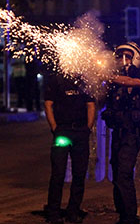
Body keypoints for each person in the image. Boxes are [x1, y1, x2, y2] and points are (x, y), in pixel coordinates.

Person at [102, 42, 140, 224]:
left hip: (132, 132)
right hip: (118, 131)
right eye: (120, 56)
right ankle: (122, 213)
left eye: (127, 56)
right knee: (116, 172)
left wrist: (110, 77)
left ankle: (130, 216)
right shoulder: (115, 80)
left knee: (124, 173)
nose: (123, 60)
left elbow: (133, 82)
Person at [44, 73, 95, 224]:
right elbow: (48, 104)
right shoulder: (56, 79)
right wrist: (54, 127)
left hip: (80, 132)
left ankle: (73, 212)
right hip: (63, 131)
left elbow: (91, 104)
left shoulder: (85, 80)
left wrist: (87, 128)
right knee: (58, 173)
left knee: (79, 174)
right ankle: (53, 213)